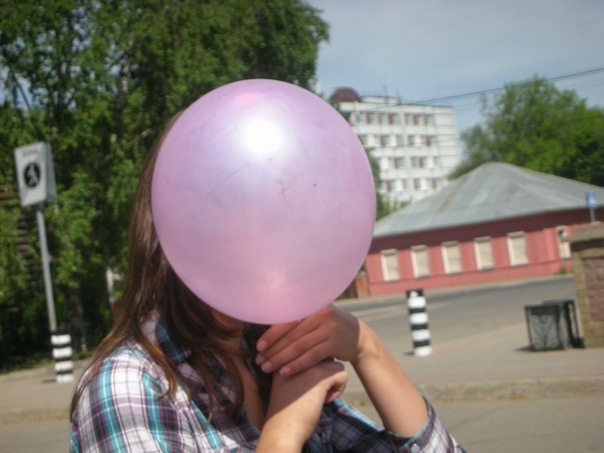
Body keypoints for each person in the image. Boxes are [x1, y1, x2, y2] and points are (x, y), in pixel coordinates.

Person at [70, 116, 464, 452]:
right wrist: (284, 432)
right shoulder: (129, 385)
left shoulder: (271, 353)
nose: (271, 241)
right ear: (179, 224)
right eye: (238, 215)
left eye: (279, 219)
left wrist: (367, 349)